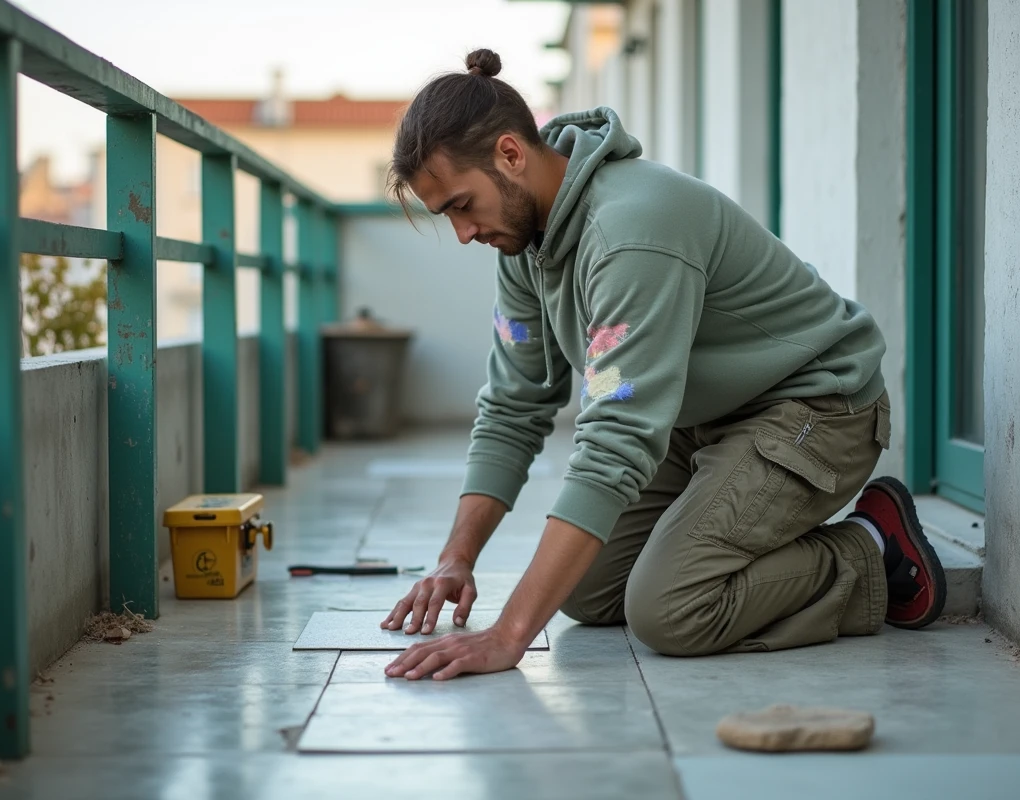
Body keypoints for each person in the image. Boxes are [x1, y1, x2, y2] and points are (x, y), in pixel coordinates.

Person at [380, 49, 946, 682]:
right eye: (447, 215)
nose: (462, 233)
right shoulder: (522, 246)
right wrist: (456, 557)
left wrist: (509, 636)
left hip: (814, 408)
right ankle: (735, 526)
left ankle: (870, 549)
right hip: (700, 418)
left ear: (511, 154)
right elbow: (515, 403)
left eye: (462, 204)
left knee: (670, 610)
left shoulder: (630, 231)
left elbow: (618, 434)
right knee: (587, 593)